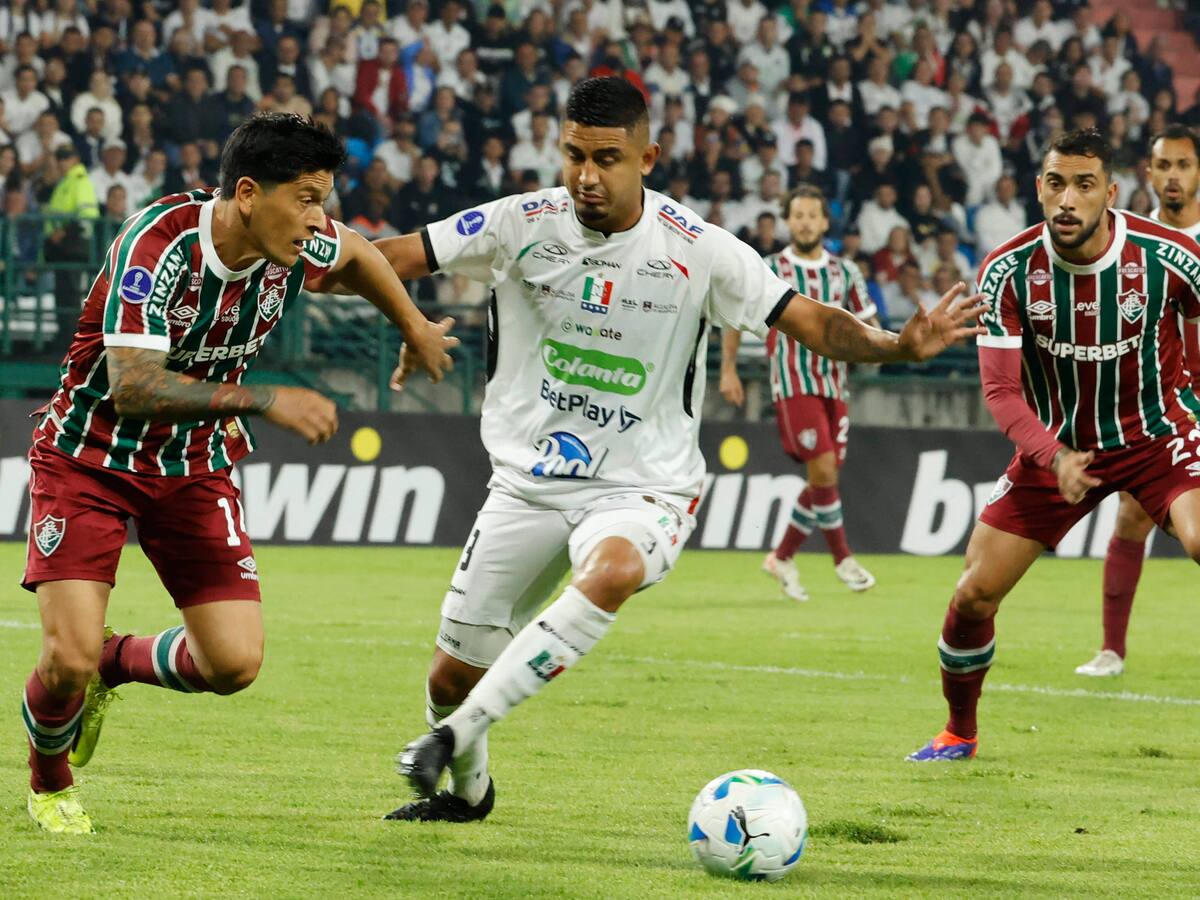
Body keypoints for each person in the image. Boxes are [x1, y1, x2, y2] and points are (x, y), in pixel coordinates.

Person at [349, 78, 982, 821]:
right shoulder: (516, 223)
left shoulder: (699, 249)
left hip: (644, 487)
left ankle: (457, 736)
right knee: (448, 677)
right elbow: (378, 257)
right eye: (574, 155)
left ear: (648, 155)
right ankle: (470, 788)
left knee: (611, 569)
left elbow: (809, 319)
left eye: (608, 158)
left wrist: (898, 346)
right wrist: (392, 310)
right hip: (526, 484)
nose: (587, 176)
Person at [20, 113, 456, 835]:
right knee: (62, 660)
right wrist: (266, 398)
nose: (319, 217)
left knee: (232, 663)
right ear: (248, 193)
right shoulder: (156, 248)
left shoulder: (297, 240)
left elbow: (359, 256)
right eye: (308, 197)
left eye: (323, 198)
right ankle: (50, 782)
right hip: (88, 458)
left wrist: (411, 326)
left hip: (190, 464)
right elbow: (133, 387)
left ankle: (115, 663)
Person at [908, 129, 1200, 763]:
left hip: (1158, 433)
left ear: (1112, 193)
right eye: (1056, 183)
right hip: (1060, 448)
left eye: (1084, 185)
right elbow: (1002, 391)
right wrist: (1054, 456)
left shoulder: (1171, 256)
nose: (1068, 199)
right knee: (971, 596)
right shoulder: (1007, 272)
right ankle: (959, 732)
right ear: (1040, 188)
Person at [1075, 124, 1200, 677]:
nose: (1173, 176)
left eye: (1184, 165)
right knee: (1132, 517)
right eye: (1163, 166)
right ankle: (1111, 649)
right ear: (1147, 174)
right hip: (1162, 406)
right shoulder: (1130, 239)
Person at [720, 184, 880, 601]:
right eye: (799, 215)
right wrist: (729, 368)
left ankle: (782, 557)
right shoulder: (769, 267)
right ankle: (843, 558)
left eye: (813, 214)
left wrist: (882, 348)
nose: (806, 221)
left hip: (835, 386)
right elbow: (735, 316)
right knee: (824, 471)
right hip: (794, 384)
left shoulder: (846, 272)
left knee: (822, 479)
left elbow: (867, 321)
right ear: (787, 221)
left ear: (826, 221)